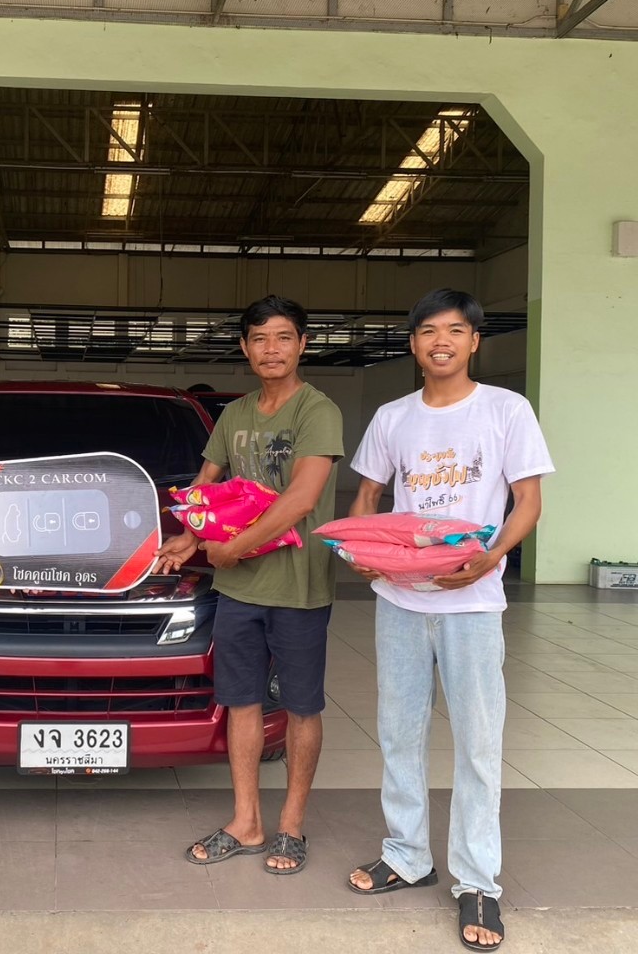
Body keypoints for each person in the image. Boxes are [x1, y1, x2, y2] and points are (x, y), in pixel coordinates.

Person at [344, 288, 554, 952]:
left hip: (472, 605)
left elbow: (527, 500)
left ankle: (478, 880)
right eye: (429, 330)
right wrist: (364, 551)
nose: (442, 341)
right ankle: (408, 854)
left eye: (455, 330)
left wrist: (490, 558)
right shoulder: (393, 417)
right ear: (413, 344)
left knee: (478, 744)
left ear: (474, 342)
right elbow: (368, 493)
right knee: (398, 734)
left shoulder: (505, 410)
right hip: (402, 604)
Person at [157, 295, 343, 875]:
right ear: (244, 348)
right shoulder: (235, 415)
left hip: (299, 590)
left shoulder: (318, 410)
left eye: (283, 338)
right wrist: (189, 536)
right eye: (259, 339)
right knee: (240, 703)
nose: (271, 349)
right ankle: (247, 822)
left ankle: (291, 826)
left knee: (301, 707)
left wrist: (231, 548)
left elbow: (301, 498)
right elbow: (205, 487)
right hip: (239, 592)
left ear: (302, 344)